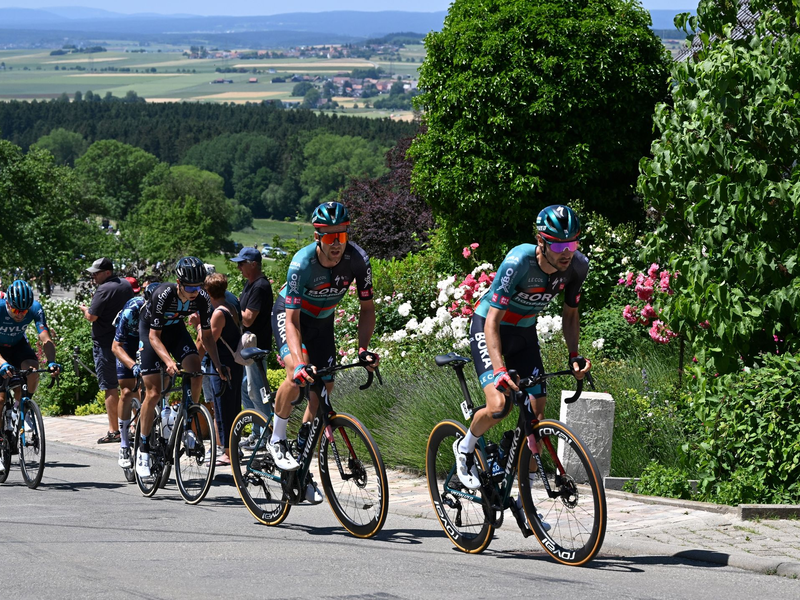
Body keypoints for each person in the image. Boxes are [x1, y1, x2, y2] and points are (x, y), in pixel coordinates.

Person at [456, 205, 592, 495]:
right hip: (490, 326)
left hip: (525, 331)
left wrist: (574, 356)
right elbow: (492, 320)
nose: (566, 251)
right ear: (541, 242)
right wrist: (500, 370)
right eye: (558, 244)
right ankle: (465, 447)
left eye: (572, 243)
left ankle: (525, 498)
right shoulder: (518, 261)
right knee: (499, 406)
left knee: (537, 416)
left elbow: (570, 315)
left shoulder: (577, 266)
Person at [269, 201, 379, 503]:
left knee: (325, 387)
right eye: (330, 237)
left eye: (341, 236)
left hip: (322, 323)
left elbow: (366, 308)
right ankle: (277, 439)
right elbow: (291, 320)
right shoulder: (302, 264)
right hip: (291, 318)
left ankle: (302, 456)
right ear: (318, 237)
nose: (336, 244)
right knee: (297, 375)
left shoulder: (358, 260)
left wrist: (363, 348)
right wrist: (301, 363)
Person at [135, 257, 228, 478]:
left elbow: (207, 337)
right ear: (178, 282)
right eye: (189, 287)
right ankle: (143, 448)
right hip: (151, 332)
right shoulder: (163, 294)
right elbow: (154, 337)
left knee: (196, 370)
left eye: (199, 286)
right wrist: (168, 362)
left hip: (175, 330)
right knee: (154, 392)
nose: (195, 291)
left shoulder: (202, 299)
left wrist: (218, 364)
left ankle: (188, 420)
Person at [80, 258, 133, 444]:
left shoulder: (104, 289)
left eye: (96, 272)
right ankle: (136, 425)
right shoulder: (126, 285)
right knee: (130, 384)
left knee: (110, 387)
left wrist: (85, 310)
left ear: (107, 272)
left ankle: (114, 431)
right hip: (126, 342)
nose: (93, 276)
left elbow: (93, 316)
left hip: (105, 343)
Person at [195, 272, 243, 466]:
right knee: (232, 406)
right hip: (235, 364)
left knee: (223, 409)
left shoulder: (218, 314)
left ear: (207, 292)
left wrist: (198, 326)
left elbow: (208, 341)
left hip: (222, 366)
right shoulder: (230, 307)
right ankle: (231, 448)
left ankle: (227, 452)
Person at [229, 246, 273, 449]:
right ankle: (256, 433)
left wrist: (231, 308)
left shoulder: (260, 286)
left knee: (257, 391)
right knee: (247, 390)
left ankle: (265, 436)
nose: (238, 267)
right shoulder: (250, 284)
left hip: (257, 348)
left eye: (241, 263)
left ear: (253, 264)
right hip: (249, 346)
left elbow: (247, 319)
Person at [111, 280, 157, 471]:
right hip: (127, 342)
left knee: (157, 385)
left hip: (150, 339)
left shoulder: (164, 313)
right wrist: (133, 365)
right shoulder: (132, 310)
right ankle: (123, 444)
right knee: (128, 391)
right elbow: (116, 347)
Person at [0, 280, 62, 408]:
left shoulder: (35, 308)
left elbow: (45, 337)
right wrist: (2, 363)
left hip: (18, 345)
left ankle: (23, 407)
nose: (21, 315)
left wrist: (51, 361)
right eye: (16, 311)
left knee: (32, 371)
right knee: (1, 400)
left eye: (25, 311)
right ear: (7, 303)